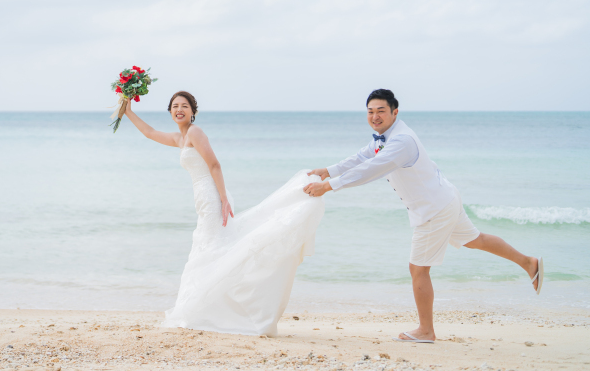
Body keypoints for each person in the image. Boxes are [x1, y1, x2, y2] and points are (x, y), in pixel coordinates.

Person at [303, 89, 543, 343]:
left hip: (434, 209)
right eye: (370, 111)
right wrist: (329, 170)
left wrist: (328, 186)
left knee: (418, 269)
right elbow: (363, 156)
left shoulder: (401, 142)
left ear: (395, 112)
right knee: (476, 239)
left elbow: (370, 170)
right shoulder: (384, 137)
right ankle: (529, 263)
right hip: (444, 197)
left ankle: (426, 331)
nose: (375, 116)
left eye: (381, 111)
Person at [123, 91, 326, 336]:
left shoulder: (195, 133)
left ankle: (204, 311)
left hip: (212, 196)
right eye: (175, 106)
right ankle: (207, 309)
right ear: (170, 112)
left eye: (184, 106)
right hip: (203, 198)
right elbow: (150, 133)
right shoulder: (180, 137)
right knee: (210, 248)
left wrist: (222, 198)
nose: (179, 109)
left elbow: (214, 164)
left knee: (210, 248)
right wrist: (128, 111)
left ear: (193, 112)